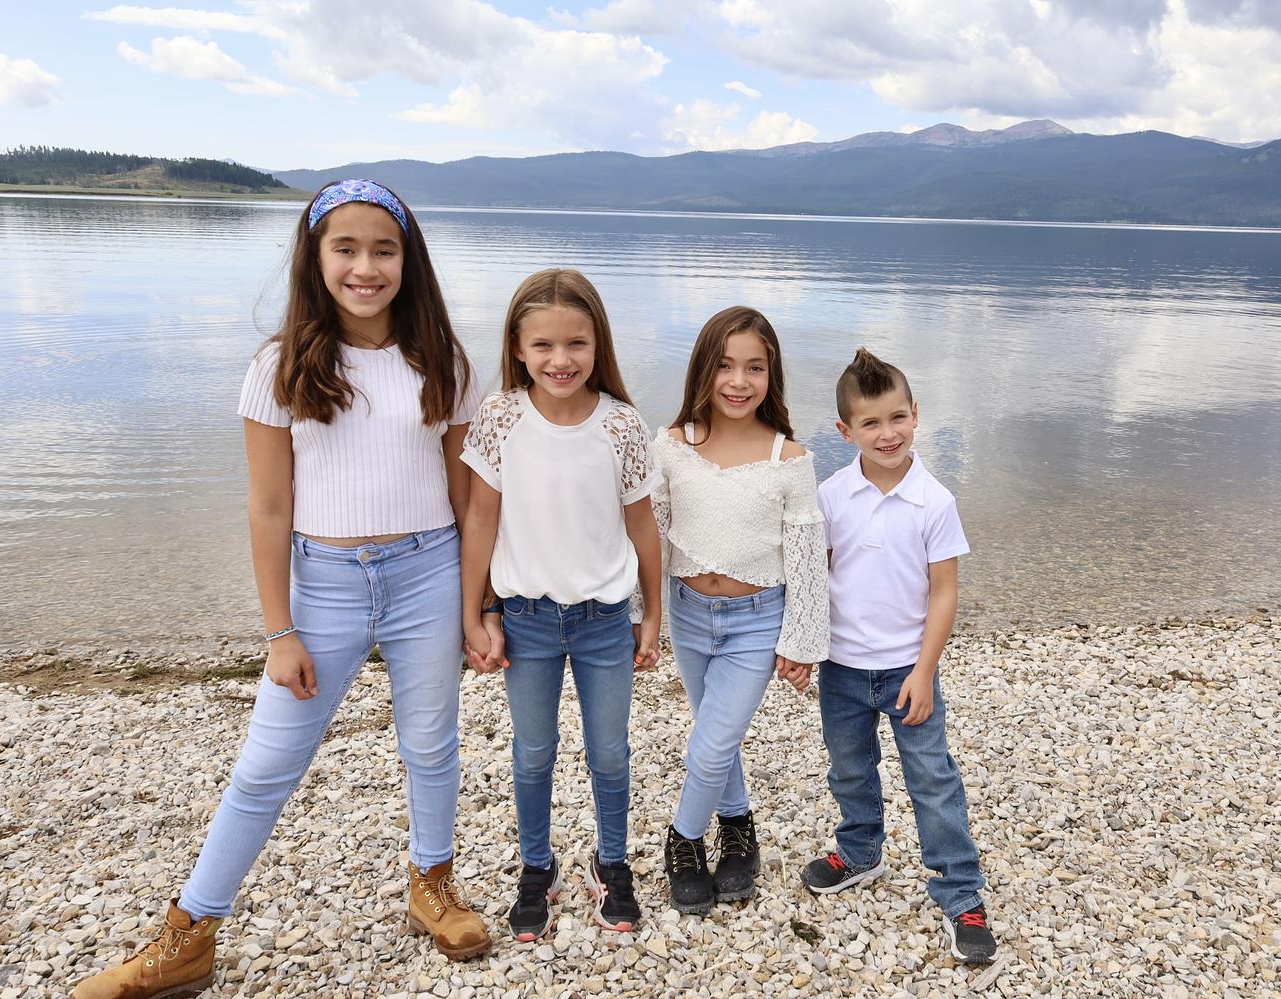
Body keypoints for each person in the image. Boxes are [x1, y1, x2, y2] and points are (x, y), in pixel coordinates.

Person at [74, 180, 490, 999]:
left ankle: (432, 884)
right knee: (267, 764)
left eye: (384, 250)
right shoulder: (280, 365)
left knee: (431, 744)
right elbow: (268, 506)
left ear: (408, 260)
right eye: (346, 248)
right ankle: (188, 935)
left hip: (429, 572)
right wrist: (278, 630)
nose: (365, 267)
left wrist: (481, 604)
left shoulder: (445, 361)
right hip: (323, 586)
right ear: (314, 257)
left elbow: (468, 499)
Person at [458, 268, 661, 942]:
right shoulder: (500, 417)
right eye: (542, 345)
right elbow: (480, 519)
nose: (560, 359)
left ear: (598, 345)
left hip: (604, 620)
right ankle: (536, 867)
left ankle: (612, 863)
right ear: (518, 349)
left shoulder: (621, 425)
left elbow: (642, 525)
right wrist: (473, 613)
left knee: (610, 753)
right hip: (527, 620)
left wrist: (652, 613)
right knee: (532, 753)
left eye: (576, 343)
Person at [801, 347, 997, 964]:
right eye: (871, 423)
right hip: (841, 667)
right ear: (845, 430)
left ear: (916, 413)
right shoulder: (830, 495)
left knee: (933, 779)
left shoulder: (934, 501)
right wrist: (801, 647)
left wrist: (924, 671)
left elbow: (944, 592)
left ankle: (961, 892)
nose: (887, 434)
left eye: (897, 418)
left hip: (907, 670)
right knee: (849, 768)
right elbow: (815, 579)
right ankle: (860, 851)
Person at [652, 306, 829, 914]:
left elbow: (805, 557)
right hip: (687, 612)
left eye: (755, 367)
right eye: (725, 365)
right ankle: (738, 826)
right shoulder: (673, 445)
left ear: (771, 375)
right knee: (713, 730)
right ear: (703, 368)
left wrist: (802, 641)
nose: (738, 381)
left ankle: (682, 839)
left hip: (758, 618)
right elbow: (651, 536)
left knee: (713, 741)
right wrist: (641, 616)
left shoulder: (790, 458)